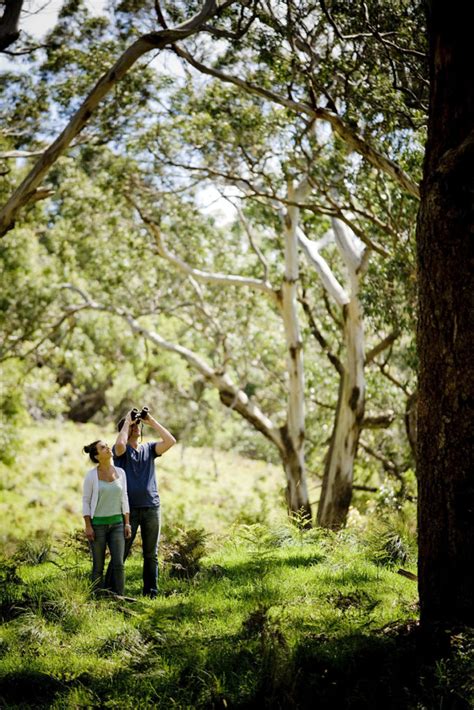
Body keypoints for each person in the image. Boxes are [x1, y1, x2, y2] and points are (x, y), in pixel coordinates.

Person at [105, 409, 176, 598]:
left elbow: (170, 441)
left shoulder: (149, 449)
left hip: (152, 506)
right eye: (133, 426)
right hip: (128, 510)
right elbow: (119, 445)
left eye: (139, 425)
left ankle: (151, 593)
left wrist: (151, 420)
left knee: (150, 554)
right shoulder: (120, 451)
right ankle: (110, 590)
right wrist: (128, 421)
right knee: (121, 552)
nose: (137, 428)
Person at [82, 440, 132, 596]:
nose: (108, 448)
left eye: (106, 445)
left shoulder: (121, 472)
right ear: (97, 456)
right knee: (98, 565)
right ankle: (96, 598)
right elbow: (86, 500)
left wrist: (127, 523)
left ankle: (119, 597)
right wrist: (88, 525)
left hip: (117, 524)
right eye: (103, 447)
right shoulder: (91, 476)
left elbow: (124, 498)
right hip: (97, 526)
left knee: (119, 564)